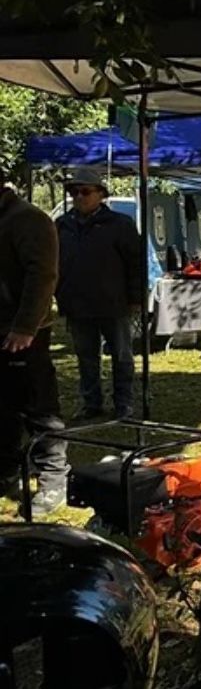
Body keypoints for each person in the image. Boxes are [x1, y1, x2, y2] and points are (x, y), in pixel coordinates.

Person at [1, 174, 71, 516]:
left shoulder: (27, 218)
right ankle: (6, 471)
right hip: (3, 329)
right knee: (4, 408)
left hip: (23, 331)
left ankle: (54, 480)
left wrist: (26, 326)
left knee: (39, 406)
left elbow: (43, 275)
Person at [55, 169, 141, 421]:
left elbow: (135, 263)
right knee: (86, 358)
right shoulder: (62, 226)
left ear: (100, 194)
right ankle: (91, 403)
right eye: (74, 192)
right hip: (77, 304)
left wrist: (136, 298)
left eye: (85, 191)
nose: (79, 197)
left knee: (122, 356)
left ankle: (124, 403)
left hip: (113, 303)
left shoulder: (119, 224)